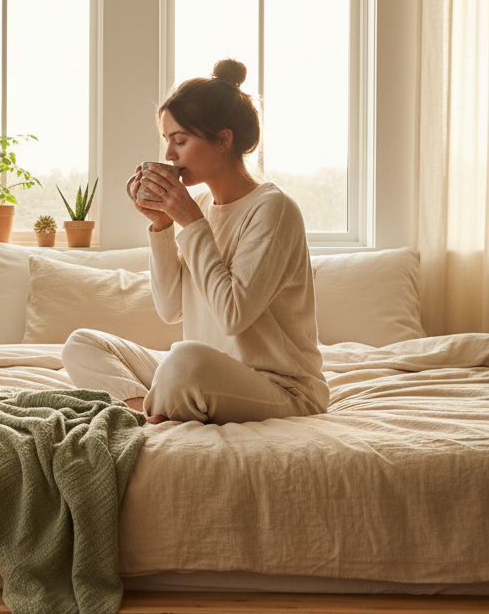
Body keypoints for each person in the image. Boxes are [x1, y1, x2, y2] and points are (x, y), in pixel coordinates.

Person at [61, 58, 329, 424]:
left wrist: (190, 221)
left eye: (180, 141)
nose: (169, 155)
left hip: (281, 389)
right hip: (208, 373)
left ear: (223, 140)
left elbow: (233, 315)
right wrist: (161, 226)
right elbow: (171, 309)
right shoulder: (200, 204)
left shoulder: (273, 209)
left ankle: (155, 406)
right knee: (83, 344)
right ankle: (145, 410)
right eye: (167, 141)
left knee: (185, 360)